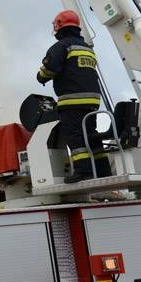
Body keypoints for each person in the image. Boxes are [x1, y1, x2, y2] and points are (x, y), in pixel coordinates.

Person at [36, 10, 112, 183]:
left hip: (72, 101)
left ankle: (83, 171)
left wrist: (41, 76)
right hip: (92, 101)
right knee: (90, 134)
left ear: (58, 26)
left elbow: (50, 69)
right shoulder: (87, 48)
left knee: (74, 136)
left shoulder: (62, 46)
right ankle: (103, 170)